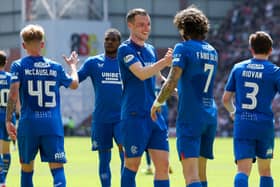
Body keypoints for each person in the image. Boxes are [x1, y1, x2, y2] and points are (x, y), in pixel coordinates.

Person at [151, 6, 218, 187]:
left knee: (191, 177)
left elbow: (172, 80)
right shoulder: (212, 51)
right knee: (202, 176)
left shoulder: (183, 48)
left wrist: (158, 102)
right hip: (210, 115)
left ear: (183, 29)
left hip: (190, 118)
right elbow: (192, 86)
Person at [5, 24, 79, 187]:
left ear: (24, 45)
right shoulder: (55, 67)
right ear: (42, 44)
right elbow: (74, 84)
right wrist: (73, 66)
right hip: (52, 125)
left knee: (26, 169)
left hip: (28, 124)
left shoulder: (18, 65)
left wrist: (8, 119)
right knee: (57, 170)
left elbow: (13, 93)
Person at [117, 8, 172, 187]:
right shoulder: (125, 49)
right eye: (141, 25)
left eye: (148, 24)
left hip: (155, 114)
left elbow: (156, 76)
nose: (146, 28)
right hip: (134, 115)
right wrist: (164, 62)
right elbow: (141, 73)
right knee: (133, 165)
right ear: (130, 25)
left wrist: (170, 85)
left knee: (163, 166)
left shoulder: (150, 49)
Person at [222, 31, 276, 187]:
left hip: (243, 124)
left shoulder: (238, 68)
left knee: (242, 171)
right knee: (265, 172)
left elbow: (226, 99)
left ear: (251, 49)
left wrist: (233, 112)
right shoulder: (274, 71)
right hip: (265, 125)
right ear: (270, 50)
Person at [77, 28, 124, 187]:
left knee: (127, 158)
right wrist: (71, 67)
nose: (109, 42)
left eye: (113, 40)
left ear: (119, 43)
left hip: (122, 119)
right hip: (101, 119)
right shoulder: (93, 62)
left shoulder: (126, 63)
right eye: (106, 39)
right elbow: (75, 80)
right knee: (104, 159)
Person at [0, 50, 17, 187]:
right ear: (5, 63)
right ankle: (3, 178)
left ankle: (1, 180)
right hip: (8, 116)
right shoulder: (12, 78)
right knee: (5, 152)